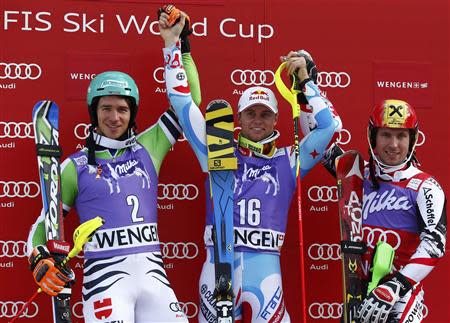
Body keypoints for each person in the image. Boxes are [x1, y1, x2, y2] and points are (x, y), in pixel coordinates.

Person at [26, 6, 201, 322]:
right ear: (94, 112)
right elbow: (44, 222)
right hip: (106, 281)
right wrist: (38, 258)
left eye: (122, 109)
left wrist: (177, 46)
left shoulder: (150, 146)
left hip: (154, 278)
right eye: (106, 108)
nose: (114, 117)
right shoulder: (74, 166)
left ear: (132, 113)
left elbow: (190, 105)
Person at [163, 44, 341, 321]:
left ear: (275, 119)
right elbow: (182, 104)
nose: (257, 120)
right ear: (240, 118)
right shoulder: (217, 150)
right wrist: (172, 46)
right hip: (217, 272)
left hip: (266, 275)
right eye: (251, 113)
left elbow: (327, 127)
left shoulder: (289, 160)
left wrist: (306, 81)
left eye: (265, 114)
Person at [319, 99, 447, 323]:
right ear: (373, 137)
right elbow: (320, 142)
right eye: (386, 135)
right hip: (357, 293)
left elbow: (435, 245)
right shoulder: (355, 174)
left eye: (402, 136)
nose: (394, 144)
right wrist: (306, 86)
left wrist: (395, 286)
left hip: (401, 295)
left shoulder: (425, 186)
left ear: (413, 139)